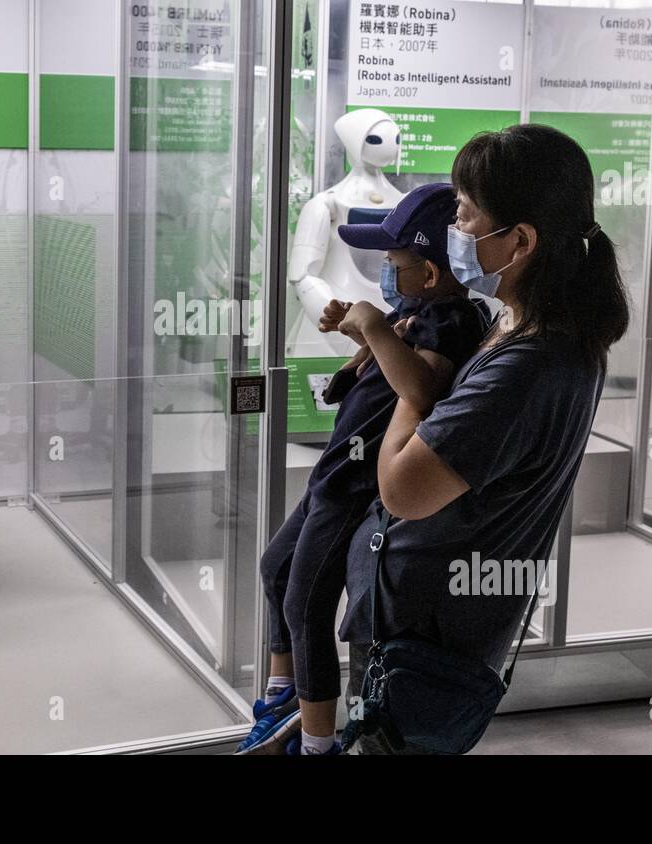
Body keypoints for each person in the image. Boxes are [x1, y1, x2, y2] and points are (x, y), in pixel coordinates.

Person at [338, 123, 631, 754]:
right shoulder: (517, 324)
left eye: (466, 216)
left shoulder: (527, 366)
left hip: (428, 640)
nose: (455, 232)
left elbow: (404, 490)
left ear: (520, 240)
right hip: (419, 621)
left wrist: (412, 388)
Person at [238, 183, 491, 755]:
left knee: (306, 601)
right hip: (331, 476)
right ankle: (284, 694)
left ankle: (317, 743)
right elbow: (381, 361)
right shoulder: (415, 310)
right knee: (276, 569)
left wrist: (375, 328)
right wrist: (358, 337)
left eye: (392, 263)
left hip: (352, 490)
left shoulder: (451, 321)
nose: (383, 273)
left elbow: (422, 390)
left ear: (428, 273)